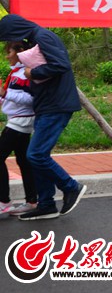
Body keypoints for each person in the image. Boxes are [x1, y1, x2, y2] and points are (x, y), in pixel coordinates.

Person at [0, 15, 85, 221]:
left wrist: (32, 73)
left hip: (56, 105)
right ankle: (46, 204)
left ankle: (71, 187)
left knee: (36, 155)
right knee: (35, 156)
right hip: (46, 105)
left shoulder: (43, 36)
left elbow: (61, 64)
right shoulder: (36, 38)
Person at [0, 41, 37, 216]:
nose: (7, 56)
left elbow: (30, 99)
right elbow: (10, 98)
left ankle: (4, 201)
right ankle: (31, 201)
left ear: (21, 52)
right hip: (16, 120)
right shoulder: (16, 73)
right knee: (23, 161)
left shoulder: (27, 73)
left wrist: (5, 93)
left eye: (10, 52)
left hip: (20, 122)